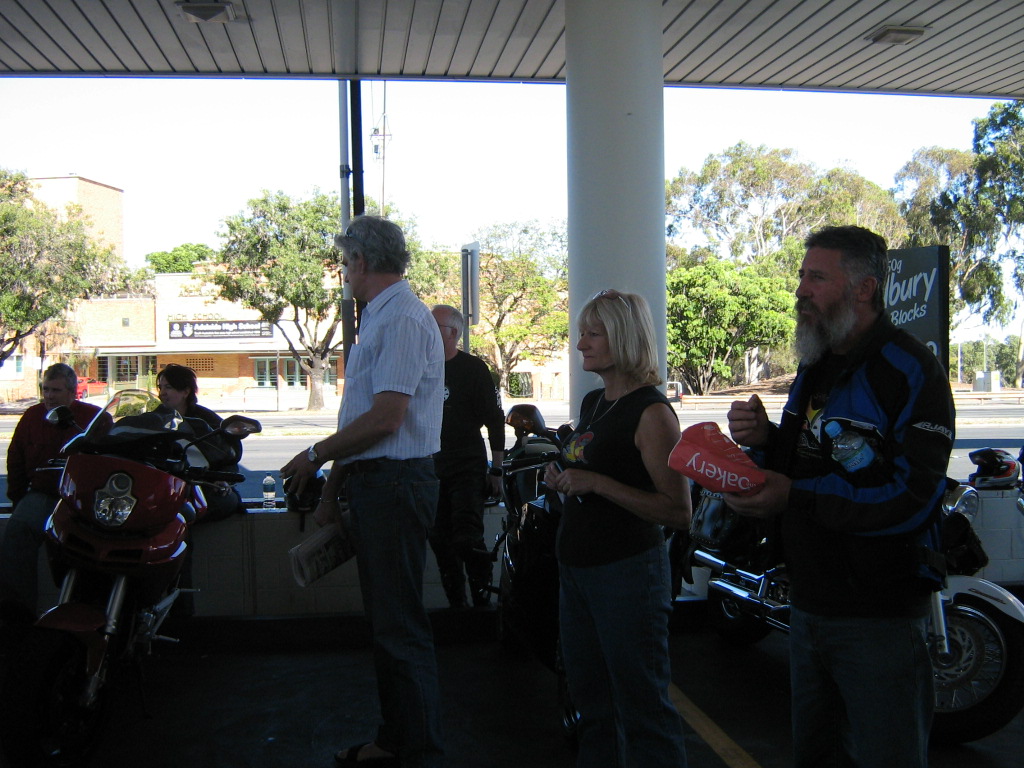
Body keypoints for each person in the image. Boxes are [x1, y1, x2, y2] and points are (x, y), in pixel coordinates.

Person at [724, 225, 955, 768]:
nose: (801, 290)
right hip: (808, 606)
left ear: (864, 289)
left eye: (817, 278)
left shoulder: (911, 369)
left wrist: (794, 497)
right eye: (802, 276)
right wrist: (766, 440)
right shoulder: (816, 364)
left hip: (879, 620)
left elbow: (912, 497)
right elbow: (809, 458)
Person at [281, 214, 444, 768]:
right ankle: (400, 739)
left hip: (395, 485)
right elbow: (363, 417)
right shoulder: (381, 316)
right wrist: (333, 491)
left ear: (362, 260)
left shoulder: (401, 319)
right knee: (390, 625)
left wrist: (315, 456)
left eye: (345, 261)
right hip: (381, 484)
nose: (343, 272)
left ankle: (412, 747)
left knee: (398, 627)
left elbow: (386, 419)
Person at [544, 289, 690, 768]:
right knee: (593, 708)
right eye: (581, 332)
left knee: (643, 709)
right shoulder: (594, 402)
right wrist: (561, 476)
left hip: (627, 575)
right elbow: (584, 468)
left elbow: (678, 511)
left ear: (624, 338)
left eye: (593, 333)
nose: (580, 343)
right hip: (578, 569)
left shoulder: (652, 413)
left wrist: (597, 483)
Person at [0, 363, 104, 624]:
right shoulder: (32, 417)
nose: (49, 396)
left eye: (56, 390)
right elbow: (15, 459)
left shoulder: (93, 417)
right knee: (17, 532)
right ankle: (18, 616)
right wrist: (18, 499)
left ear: (72, 392)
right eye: (45, 389)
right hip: (41, 494)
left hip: (81, 499)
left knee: (89, 545)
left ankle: (86, 614)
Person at [429, 304, 505, 610]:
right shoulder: (419, 366)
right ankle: (457, 608)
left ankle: (482, 604)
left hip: (467, 467)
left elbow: (495, 421)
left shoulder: (473, 369)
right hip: (430, 468)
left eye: (434, 327)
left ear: (453, 333)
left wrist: (496, 470)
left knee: (467, 537)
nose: (426, 332)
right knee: (440, 542)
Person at [156, 363, 244, 521]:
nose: (162, 393)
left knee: (225, 502)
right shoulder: (154, 419)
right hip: (164, 488)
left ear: (185, 391)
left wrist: (222, 480)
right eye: (160, 387)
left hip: (202, 487)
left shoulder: (205, 421)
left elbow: (229, 455)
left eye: (168, 387)